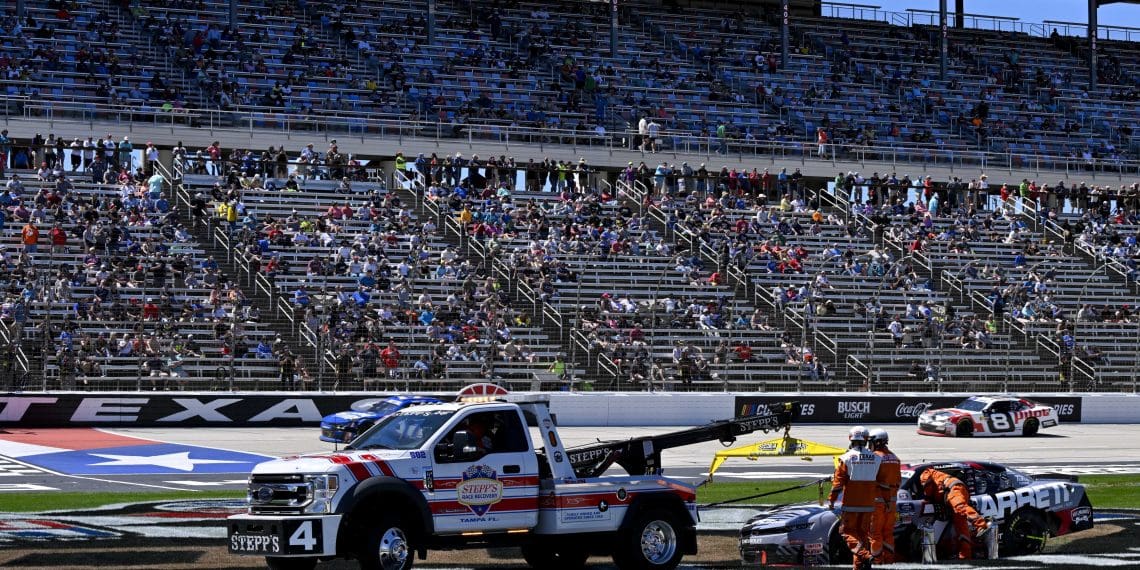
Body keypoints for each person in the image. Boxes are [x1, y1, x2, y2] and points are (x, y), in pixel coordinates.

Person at [828, 426, 881, 570]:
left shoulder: (846, 458)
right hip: (868, 505)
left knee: (846, 532)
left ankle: (866, 556)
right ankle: (859, 566)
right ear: (866, 439)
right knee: (862, 536)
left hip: (851, 505)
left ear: (850, 439)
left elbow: (837, 484)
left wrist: (831, 500)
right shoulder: (877, 458)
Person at [918, 467, 991, 560]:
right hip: (953, 492)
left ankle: (981, 526)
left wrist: (927, 497)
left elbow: (928, 488)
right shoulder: (931, 475)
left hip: (954, 490)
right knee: (961, 528)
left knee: (960, 507)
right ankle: (965, 555)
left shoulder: (926, 473)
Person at [869, 429, 901, 564]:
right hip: (891, 503)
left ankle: (876, 562)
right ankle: (889, 561)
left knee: (875, 534)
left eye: (870, 442)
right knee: (888, 533)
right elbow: (898, 481)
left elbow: (870, 480)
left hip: (877, 503)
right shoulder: (895, 458)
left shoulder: (874, 457)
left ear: (877, 442)